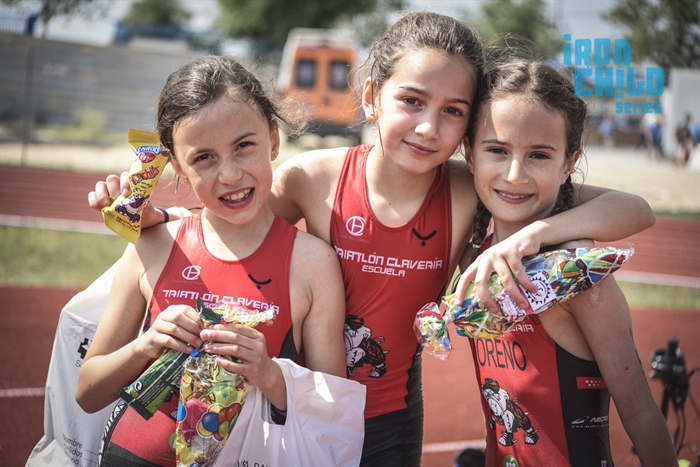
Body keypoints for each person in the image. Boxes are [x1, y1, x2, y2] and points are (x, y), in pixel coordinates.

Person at [88, 12, 656, 466]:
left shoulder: (474, 186)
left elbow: (634, 209)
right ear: (370, 97)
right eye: (411, 101)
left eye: (452, 111)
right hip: (297, 409)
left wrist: (533, 234)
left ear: (468, 128)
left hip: (392, 422)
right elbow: (233, 222)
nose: (428, 126)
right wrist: (154, 216)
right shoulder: (311, 178)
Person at [75, 55, 347, 467]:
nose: (230, 175)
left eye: (244, 146)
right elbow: (87, 393)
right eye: (204, 157)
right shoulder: (153, 245)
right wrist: (146, 346)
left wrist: (269, 374)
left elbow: (333, 410)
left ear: (274, 140)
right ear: (178, 167)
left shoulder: (313, 263)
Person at [457, 59, 677, 466]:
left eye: (539, 155)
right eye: (497, 150)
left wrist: (536, 233)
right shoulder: (474, 254)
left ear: (569, 164)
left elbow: (642, 415)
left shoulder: (577, 275)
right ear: (470, 154)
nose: (515, 174)